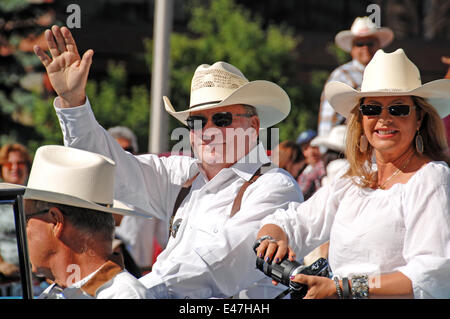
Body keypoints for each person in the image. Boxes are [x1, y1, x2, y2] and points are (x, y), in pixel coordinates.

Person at [33, 25, 302, 299]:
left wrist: (127, 292)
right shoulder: (183, 174)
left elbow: (218, 264)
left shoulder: (275, 186)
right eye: (196, 122)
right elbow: (105, 171)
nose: (207, 131)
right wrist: (73, 103)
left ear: (253, 126)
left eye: (221, 119)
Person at [255, 48, 450, 299]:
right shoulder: (354, 182)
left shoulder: (430, 178)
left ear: (419, 117)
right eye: (372, 109)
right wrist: (271, 242)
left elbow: (431, 274)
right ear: (361, 118)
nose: (384, 119)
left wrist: (341, 288)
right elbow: (293, 221)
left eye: (398, 109)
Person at [20, 145, 148, 299]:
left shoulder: (124, 295)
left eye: (26, 220)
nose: (22, 231)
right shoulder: (53, 294)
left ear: (56, 222)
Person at [318, 16, 394, 137]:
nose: (365, 48)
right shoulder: (341, 75)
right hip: (349, 141)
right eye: (360, 44)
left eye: (370, 43)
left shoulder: (391, 72)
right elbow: (328, 115)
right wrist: (325, 147)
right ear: (352, 49)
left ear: (379, 45)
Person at [107, 125, 165, 274]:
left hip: (142, 272)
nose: (124, 155)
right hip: (109, 273)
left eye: (129, 150)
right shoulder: (98, 188)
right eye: (118, 150)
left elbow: (166, 239)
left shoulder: (151, 189)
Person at [296, 129, 326, 200]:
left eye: (314, 146)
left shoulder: (325, 167)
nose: (311, 151)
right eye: (306, 148)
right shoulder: (304, 172)